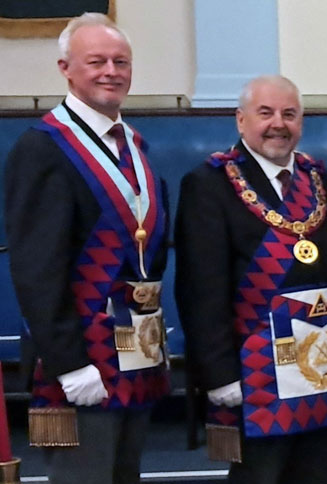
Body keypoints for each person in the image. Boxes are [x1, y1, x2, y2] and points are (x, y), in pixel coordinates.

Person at [2, 13, 170, 484]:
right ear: (65, 69)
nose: (110, 71)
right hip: (81, 363)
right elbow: (37, 269)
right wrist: (70, 364)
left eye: (121, 61)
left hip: (136, 356)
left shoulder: (134, 145)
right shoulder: (43, 149)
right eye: (96, 61)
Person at [175, 75, 327, 483]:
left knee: (318, 473)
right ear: (241, 121)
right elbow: (200, 288)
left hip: (320, 365)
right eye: (266, 113)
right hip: (256, 374)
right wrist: (219, 373)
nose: (278, 124)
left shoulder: (317, 178)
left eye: (289, 114)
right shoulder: (208, 184)